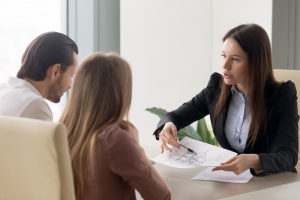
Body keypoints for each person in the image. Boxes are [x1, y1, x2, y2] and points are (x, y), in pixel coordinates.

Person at [154, 24, 299, 176]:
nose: (225, 65)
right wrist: (167, 125)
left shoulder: (282, 95)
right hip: (232, 181)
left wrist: (253, 161)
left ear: (256, 62)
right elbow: (174, 116)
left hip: (273, 184)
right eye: (223, 56)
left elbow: (289, 156)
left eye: (235, 59)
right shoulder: (216, 90)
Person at [60, 53, 171, 200]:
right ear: (120, 92)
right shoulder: (114, 139)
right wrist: (138, 148)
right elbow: (162, 196)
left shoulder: (63, 130)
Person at [0, 32, 78, 121]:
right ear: (55, 71)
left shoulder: (2, 91)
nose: (70, 86)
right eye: (71, 75)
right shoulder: (34, 105)